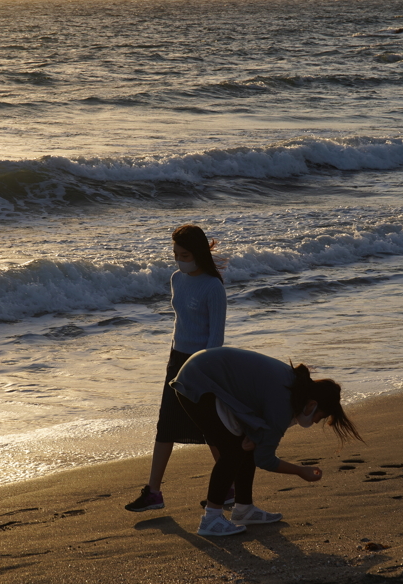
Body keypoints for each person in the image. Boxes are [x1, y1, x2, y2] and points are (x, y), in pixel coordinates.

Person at [170, 346, 362, 537]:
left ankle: (244, 509)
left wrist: (255, 438)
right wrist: (300, 471)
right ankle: (210, 519)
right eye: (319, 417)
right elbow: (265, 459)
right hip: (198, 379)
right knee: (233, 451)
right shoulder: (283, 403)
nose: (315, 422)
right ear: (312, 405)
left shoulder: (295, 387)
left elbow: (257, 409)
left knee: (245, 446)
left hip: (208, 370)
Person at [125, 224, 228, 512]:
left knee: (210, 429)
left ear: (197, 253)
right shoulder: (176, 279)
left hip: (202, 365)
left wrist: (204, 371)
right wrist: (173, 360)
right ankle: (154, 493)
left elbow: (215, 338)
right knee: (166, 425)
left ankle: (228, 487)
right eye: (175, 255)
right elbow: (178, 324)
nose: (179, 260)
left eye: (184, 254)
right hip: (177, 360)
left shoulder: (213, 286)